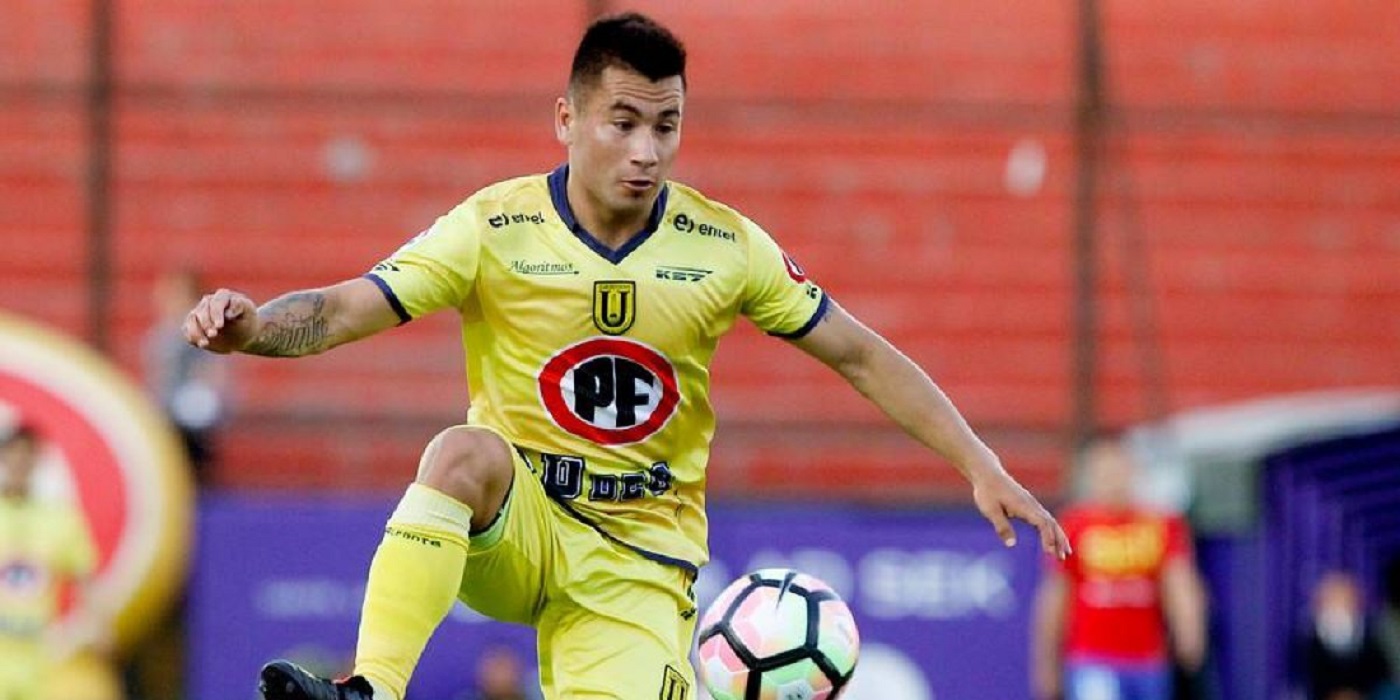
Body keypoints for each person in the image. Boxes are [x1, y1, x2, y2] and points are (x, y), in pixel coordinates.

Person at [184, 12, 1069, 700]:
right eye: (623, 122)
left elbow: (860, 355)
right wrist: (253, 330)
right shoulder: (494, 226)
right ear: (567, 119)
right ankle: (371, 688)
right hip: (522, 525)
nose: (647, 151)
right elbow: (347, 307)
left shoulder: (725, 247)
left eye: (666, 125)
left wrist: (978, 463)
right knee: (460, 454)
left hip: (639, 563)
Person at [1031, 436, 1207, 700]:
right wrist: (1046, 663)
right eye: (1104, 474)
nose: (1113, 482)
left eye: (1119, 472)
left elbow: (1179, 581)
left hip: (1147, 659)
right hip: (1092, 659)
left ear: (1134, 472)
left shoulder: (1160, 524)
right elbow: (1056, 595)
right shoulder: (1075, 526)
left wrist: (1189, 629)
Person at [0, 419, 106, 700]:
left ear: (37, 460)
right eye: (13, 453)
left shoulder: (60, 519)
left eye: (26, 454)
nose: (19, 462)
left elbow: (85, 576)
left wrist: (95, 626)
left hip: (39, 650)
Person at [145, 267, 229, 484]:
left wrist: (201, 400)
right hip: (167, 416)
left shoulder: (202, 330)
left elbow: (212, 372)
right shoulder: (162, 333)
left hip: (189, 418)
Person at [1303, 571, 1392, 700]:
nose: (1339, 603)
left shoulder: (1370, 637)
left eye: (1344, 598)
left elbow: (1381, 674)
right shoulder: (1310, 641)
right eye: (1334, 598)